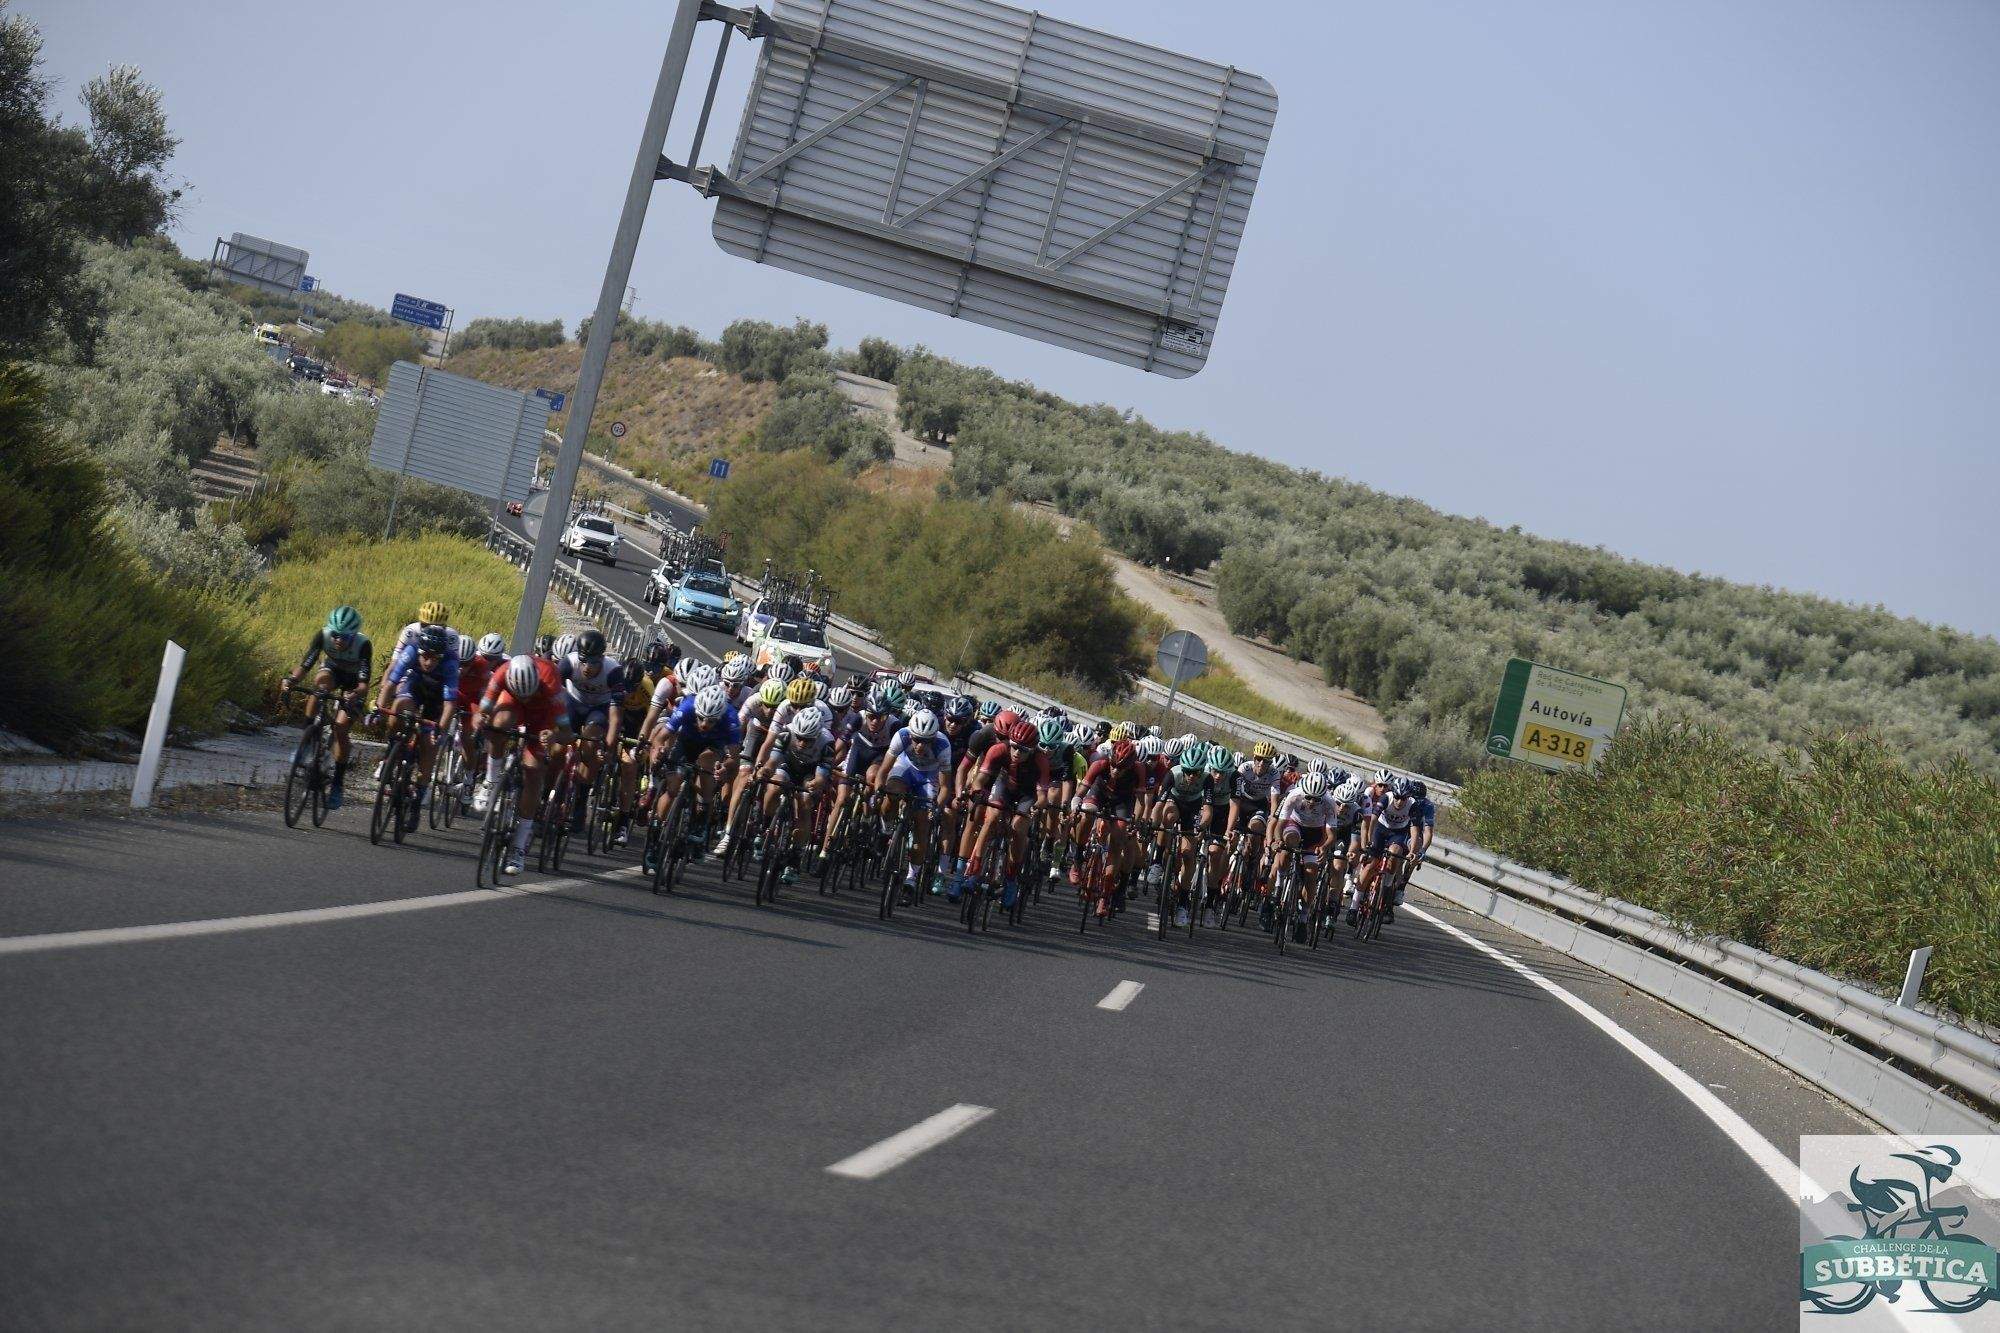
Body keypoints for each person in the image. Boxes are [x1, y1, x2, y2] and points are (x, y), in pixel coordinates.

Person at [476, 653, 574, 875]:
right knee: (498, 723)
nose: (526, 698)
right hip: (511, 703)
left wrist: (553, 736)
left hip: (543, 715)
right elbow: (483, 712)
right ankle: (491, 781)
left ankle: (518, 848)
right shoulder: (502, 673)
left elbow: (567, 734)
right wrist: (481, 719)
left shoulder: (550, 682)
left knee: (533, 770)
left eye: (528, 694)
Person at [283, 605, 373, 809]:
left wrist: (355, 694)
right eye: (335, 635)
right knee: (320, 687)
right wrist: (290, 680)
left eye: (345, 637)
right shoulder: (323, 636)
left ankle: (338, 784)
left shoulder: (363, 644)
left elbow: (363, 685)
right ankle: (307, 740)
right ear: (329, 630)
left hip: (354, 681)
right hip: (332, 670)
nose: (339, 640)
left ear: (354, 635)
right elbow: (305, 665)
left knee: (340, 728)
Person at [376, 623, 460, 819]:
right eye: (425, 656)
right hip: (416, 686)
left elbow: (449, 705)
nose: (429, 662)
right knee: (398, 708)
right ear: (419, 652)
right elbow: (390, 685)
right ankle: (392, 749)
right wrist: (378, 708)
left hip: (438, 696)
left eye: (434, 658)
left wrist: (440, 728)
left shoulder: (450, 664)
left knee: (430, 744)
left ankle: (419, 794)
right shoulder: (411, 651)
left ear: (442, 656)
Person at [874, 708, 953, 901]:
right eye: (916, 739)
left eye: (925, 741)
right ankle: (886, 831)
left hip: (928, 777)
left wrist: (937, 807)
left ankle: (911, 877)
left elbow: (944, 787)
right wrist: (879, 790)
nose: (919, 745)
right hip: (905, 768)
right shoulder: (901, 736)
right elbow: (883, 771)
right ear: (910, 734)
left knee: (922, 824)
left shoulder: (943, 746)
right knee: (891, 794)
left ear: (933, 738)